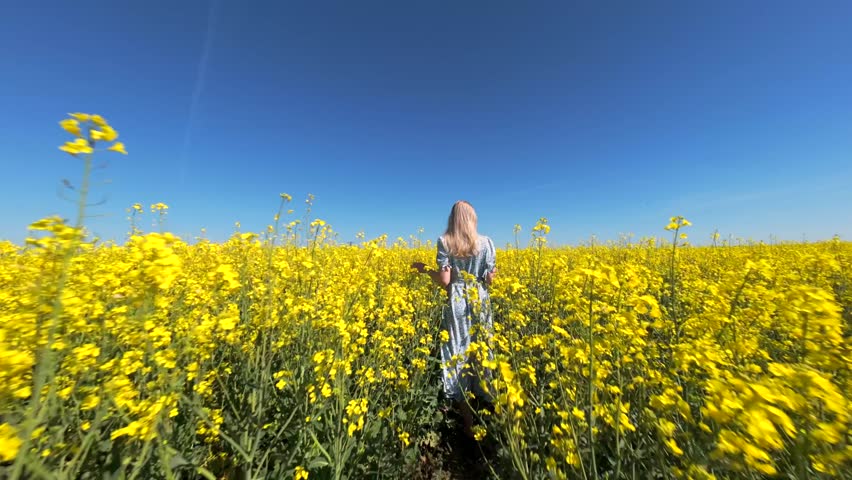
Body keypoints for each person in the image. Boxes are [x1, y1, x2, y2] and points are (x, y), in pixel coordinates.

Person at [411, 200, 496, 438]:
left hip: (458, 299)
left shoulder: (445, 242)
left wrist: (424, 270)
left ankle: (468, 426)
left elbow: (446, 281)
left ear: (453, 219)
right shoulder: (487, 243)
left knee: (459, 351)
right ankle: (488, 412)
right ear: (472, 218)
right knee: (482, 351)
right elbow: (490, 280)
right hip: (480, 299)